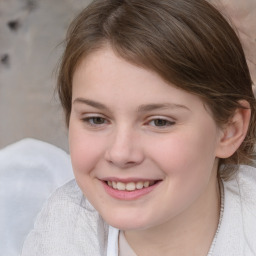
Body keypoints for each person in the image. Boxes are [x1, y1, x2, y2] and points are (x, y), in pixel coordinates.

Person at [21, 0, 256, 255]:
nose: (121, 154)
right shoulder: (60, 233)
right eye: (96, 119)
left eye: (159, 122)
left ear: (229, 130)